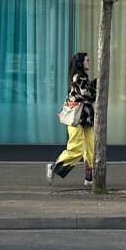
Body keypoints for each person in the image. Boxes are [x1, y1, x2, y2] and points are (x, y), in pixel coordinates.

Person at [46, 51, 96, 187]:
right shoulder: (78, 78)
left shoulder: (83, 78)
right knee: (76, 148)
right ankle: (54, 166)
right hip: (76, 119)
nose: (89, 62)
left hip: (86, 119)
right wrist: (97, 84)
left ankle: (89, 178)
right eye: (87, 60)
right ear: (80, 63)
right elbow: (89, 96)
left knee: (90, 148)